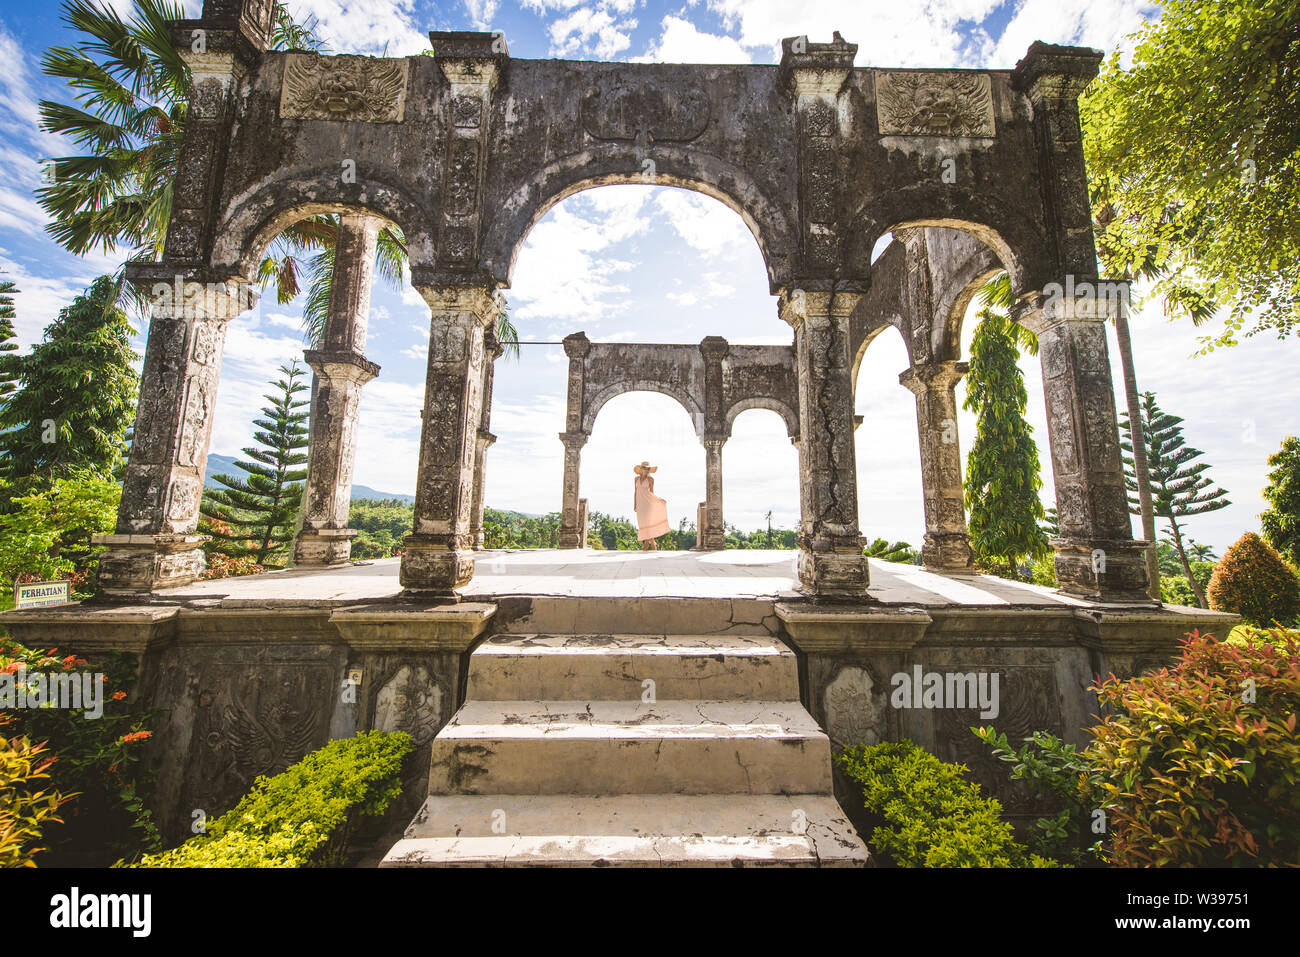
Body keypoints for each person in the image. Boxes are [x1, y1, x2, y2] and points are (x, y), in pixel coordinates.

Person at [633, 461, 670, 550]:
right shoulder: (636, 479)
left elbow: (652, 492)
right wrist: (635, 504)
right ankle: (653, 544)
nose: (646, 470)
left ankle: (646, 544)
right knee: (643, 523)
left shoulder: (650, 479)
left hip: (648, 503)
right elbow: (635, 492)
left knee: (647, 522)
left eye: (648, 469)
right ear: (641, 469)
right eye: (645, 468)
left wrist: (658, 500)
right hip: (640, 504)